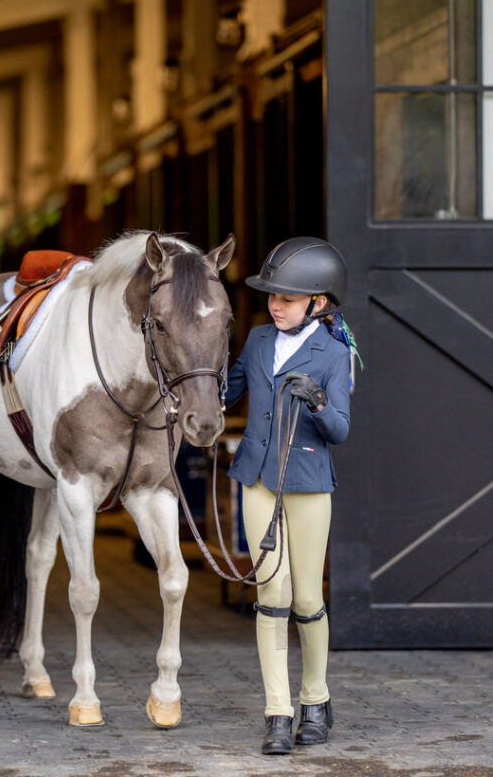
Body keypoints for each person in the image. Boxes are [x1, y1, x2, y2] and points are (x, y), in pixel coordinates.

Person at [226, 236, 360, 756]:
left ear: (318, 303)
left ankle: (316, 699)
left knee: (306, 598)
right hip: (258, 478)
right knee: (270, 594)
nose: (275, 305)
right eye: (272, 297)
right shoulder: (258, 340)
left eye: (286, 297)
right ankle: (277, 712)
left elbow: (341, 430)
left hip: (308, 484)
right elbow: (229, 389)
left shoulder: (334, 352)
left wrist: (320, 401)